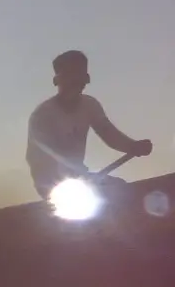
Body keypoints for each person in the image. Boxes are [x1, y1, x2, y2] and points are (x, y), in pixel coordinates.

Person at [26, 50, 151, 199]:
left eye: (81, 78)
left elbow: (108, 133)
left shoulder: (90, 105)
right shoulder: (42, 115)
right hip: (52, 185)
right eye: (72, 78)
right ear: (58, 80)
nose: (79, 84)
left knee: (120, 191)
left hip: (81, 179)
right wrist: (59, 184)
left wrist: (132, 146)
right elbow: (39, 159)